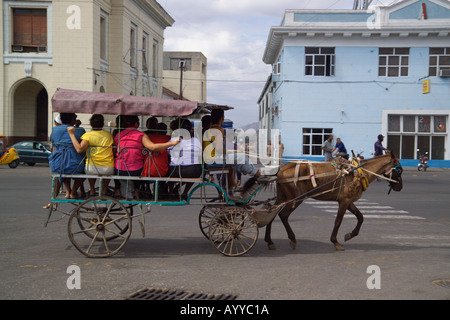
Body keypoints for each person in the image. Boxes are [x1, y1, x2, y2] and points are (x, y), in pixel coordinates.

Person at [115, 115, 180, 200]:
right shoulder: (141, 135)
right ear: (137, 123)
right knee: (142, 168)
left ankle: (117, 189)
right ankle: (137, 190)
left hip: (119, 170)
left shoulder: (119, 135)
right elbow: (152, 147)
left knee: (116, 163)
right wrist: (172, 143)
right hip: (136, 171)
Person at [67, 114, 114, 196]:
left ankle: (92, 189)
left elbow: (79, 149)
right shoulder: (109, 135)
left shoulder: (88, 135)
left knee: (90, 167)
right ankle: (104, 189)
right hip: (108, 168)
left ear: (91, 124)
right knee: (108, 171)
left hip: (92, 168)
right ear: (103, 124)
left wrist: (71, 134)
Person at [49, 113, 86, 200]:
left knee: (64, 169)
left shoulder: (54, 130)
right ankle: (73, 192)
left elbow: (53, 144)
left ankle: (68, 191)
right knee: (84, 173)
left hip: (57, 162)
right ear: (73, 119)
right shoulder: (80, 130)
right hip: (74, 163)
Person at [167, 118, 203, 199]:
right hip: (193, 170)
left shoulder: (173, 140)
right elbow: (200, 154)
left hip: (175, 171)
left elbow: (168, 153)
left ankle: (171, 191)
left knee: (170, 169)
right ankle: (185, 192)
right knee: (194, 173)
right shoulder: (196, 141)